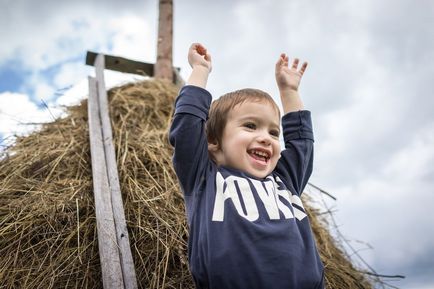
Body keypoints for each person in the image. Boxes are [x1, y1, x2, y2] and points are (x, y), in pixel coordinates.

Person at [169, 43, 324, 289]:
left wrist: (289, 91)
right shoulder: (204, 180)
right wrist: (200, 70)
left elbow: (302, 144)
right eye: (251, 126)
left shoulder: (285, 181)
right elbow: (186, 128)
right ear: (213, 142)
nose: (265, 137)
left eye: (274, 132)